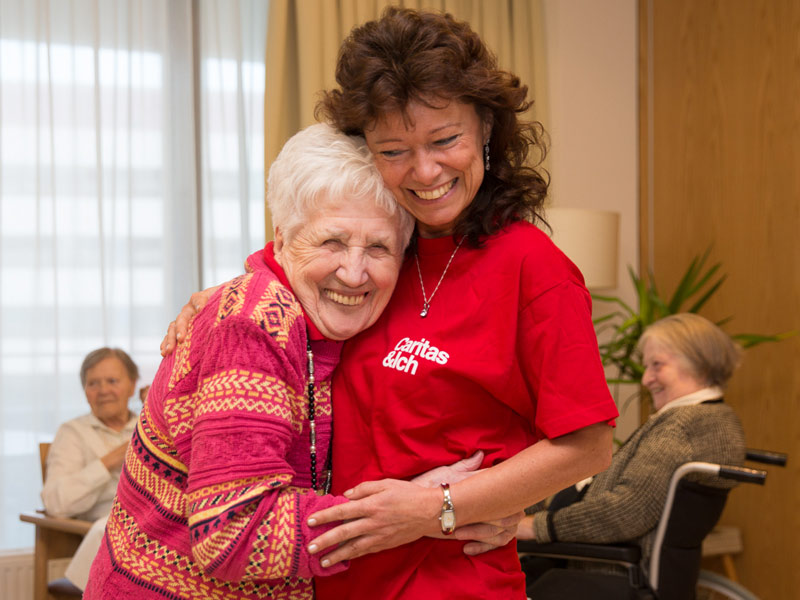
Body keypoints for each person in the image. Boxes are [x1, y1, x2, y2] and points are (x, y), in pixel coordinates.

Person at [164, 7, 619, 599]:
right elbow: (275, 276)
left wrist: (441, 507)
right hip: (334, 576)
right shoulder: (379, 256)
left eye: (445, 139)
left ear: (485, 127)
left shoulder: (533, 268)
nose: (425, 171)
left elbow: (588, 445)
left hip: (454, 582)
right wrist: (214, 300)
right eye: (394, 149)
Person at [85, 123, 515, 599]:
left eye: (378, 247)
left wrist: (462, 503)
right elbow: (234, 533)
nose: (354, 273)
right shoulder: (254, 324)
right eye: (332, 242)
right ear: (282, 238)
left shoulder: (338, 324)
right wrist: (419, 512)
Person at [517, 313, 746, 591]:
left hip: (600, 572)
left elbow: (629, 509)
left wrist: (536, 526)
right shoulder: (716, 418)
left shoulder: (683, 424)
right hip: (597, 564)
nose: (647, 379)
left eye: (657, 365)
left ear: (699, 363)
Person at [41, 347, 140, 590]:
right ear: (85, 391)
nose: (103, 390)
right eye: (93, 383)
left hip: (156, 524)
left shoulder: (150, 426)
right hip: (107, 527)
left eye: (112, 381)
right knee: (109, 529)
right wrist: (110, 460)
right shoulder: (72, 433)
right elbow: (56, 502)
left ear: (132, 386)